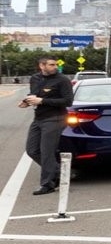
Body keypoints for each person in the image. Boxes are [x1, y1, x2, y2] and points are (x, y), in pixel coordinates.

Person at [19, 56, 73, 196]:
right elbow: (34, 94)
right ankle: (59, 172)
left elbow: (68, 101)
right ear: (42, 66)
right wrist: (27, 101)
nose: (55, 67)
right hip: (39, 118)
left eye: (55, 64)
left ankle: (48, 184)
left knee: (47, 152)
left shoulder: (62, 80)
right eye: (51, 65)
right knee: (32, 150)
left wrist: (42, 100)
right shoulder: (35, 78)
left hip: (55, 118)